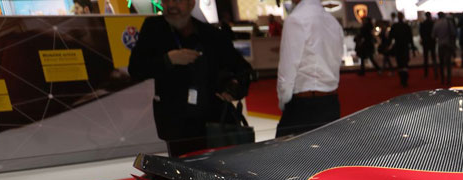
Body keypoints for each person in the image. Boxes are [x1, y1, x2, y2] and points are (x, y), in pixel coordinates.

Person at [128, 0, 252, 157]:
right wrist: (168, 60)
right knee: (183, 168)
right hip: (177, 124)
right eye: (166, 0)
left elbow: (242, 69)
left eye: (177, 1)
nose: (171, 5)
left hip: (214, 122)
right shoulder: (154, 29)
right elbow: (136, 68)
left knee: (220, 167)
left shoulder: (210, 34)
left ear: (191, 4)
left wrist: (233, 88)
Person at [275, 0, 342, 138]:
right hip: (331, 102)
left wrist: (283, 102)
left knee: (283, 150)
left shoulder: (296, 19)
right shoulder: (333, 22)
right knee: (328, 150)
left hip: (304, 107)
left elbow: (287, 71)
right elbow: (336, 63)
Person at [390, 12, 414, 87]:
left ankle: (402, 79)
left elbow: (390, 37)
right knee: (405, 63)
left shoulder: (395, 26)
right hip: (405, 47)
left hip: (398, 47)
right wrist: (413, 48)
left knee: (400, 63)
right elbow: (410, 38)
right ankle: (404, 79)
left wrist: (388, 46)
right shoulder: (406, 26)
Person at [434, 11, 456, 86]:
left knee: (441, 63)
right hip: (448, 44)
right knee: (448, 63)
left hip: (440, 45)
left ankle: (442, 78)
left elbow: (433, 35)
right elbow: (453, 33)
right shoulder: (448, 23)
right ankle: (448, 79)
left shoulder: (436, 24)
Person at [419, 11, 437, 77]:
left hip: (425, 42)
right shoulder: (433, 23)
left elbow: (421, 33)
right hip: (432, 42)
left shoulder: (423, 24)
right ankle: (435, 72)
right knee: (433, 57)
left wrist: (422, 39)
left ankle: (426, 73)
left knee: (426, 58)